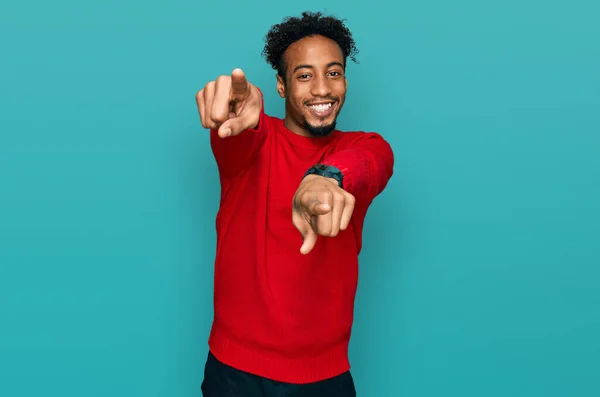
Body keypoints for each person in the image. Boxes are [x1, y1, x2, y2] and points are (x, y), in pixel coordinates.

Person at [195, 11, 394, 397]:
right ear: (281, 86)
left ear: (345, 80)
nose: (322, 88)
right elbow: (234, 135)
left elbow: (372, 164)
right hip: (235, 374)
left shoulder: (362, 146)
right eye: (304, 75)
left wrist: (327, 177)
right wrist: (238, 109)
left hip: (325, 378)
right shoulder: (251, 138)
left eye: (333, 73)